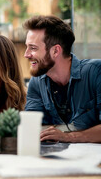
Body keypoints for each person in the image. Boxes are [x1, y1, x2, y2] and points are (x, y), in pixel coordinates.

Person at [23, 15, 101, 143]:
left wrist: (69, 137)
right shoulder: (36, 83)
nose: (26, 54)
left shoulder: (96, 72)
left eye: (33, 48)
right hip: (57, 158)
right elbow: (33, 128)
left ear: (55, 51)